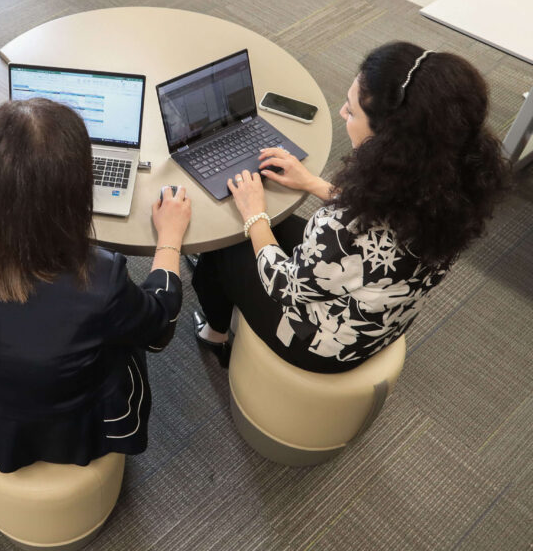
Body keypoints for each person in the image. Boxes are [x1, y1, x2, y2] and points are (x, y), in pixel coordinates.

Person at [191, 41, 510, 371]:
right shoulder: (456, 180)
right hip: (384, 319)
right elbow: (384, 216)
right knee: (268, 229)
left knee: (227, 245)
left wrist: (254, 215)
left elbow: (285, 285)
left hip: (322, 344)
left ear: (388, 138)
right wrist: (311, 182)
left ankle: (215, 335)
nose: (343, 112)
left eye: (352, 110)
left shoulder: (341, 226)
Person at [0, 98, 190, 473]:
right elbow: (160, 330)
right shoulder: (100, 280)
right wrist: (170, 238)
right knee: (129, 331)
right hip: (76, 431)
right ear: (76, 189)